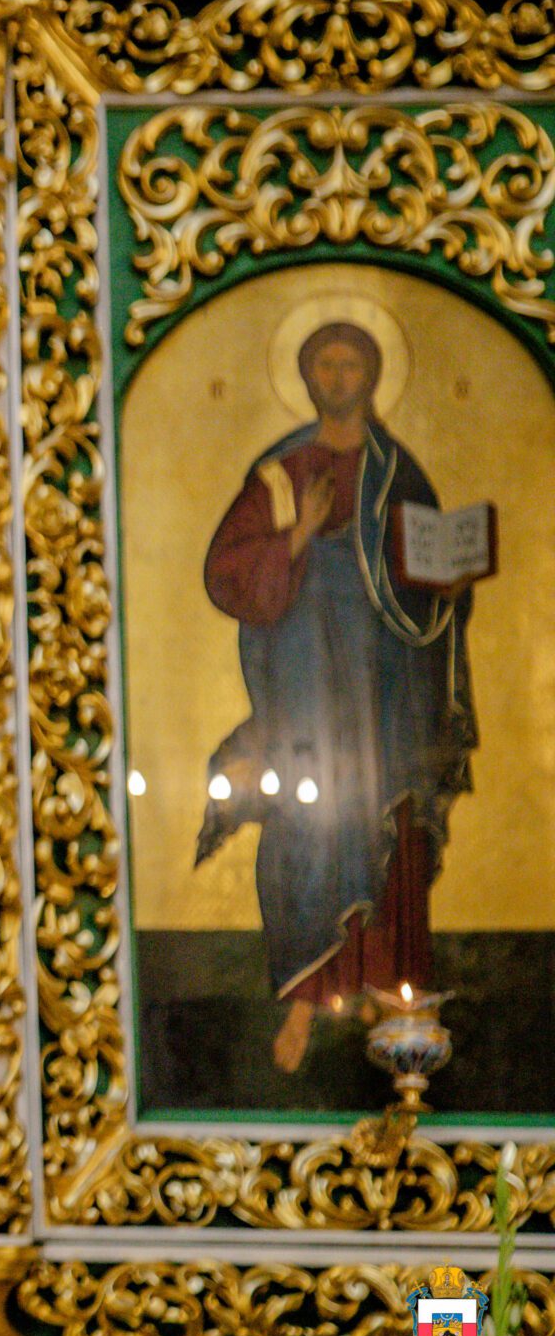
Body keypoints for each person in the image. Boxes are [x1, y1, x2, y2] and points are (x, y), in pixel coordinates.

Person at [197, 321, 474, 1073]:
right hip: (307, 683)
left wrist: (447, 588)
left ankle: (392, 986)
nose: (339, 377)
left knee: (389, 817)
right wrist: (299, 536)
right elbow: (225, 572)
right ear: (308, 376)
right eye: (326, 364)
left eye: (352, 364)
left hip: (386, 685)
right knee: (310, 820)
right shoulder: (280, 473)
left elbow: (426, 577)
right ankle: (304, 999)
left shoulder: (396, 471)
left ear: (373, 375)